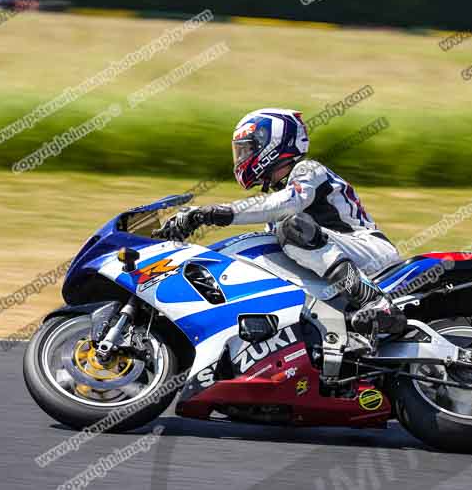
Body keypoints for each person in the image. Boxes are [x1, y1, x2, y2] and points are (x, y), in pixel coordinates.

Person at [157, 108, 406, 334]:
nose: (242, 157)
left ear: (272, 142)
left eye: (247, 148)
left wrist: (210, 213)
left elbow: (289, 203)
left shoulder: (308, 170)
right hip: (337, 262)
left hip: (370, 252)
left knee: (292, 226)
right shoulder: (276, 211)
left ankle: (378, 303)